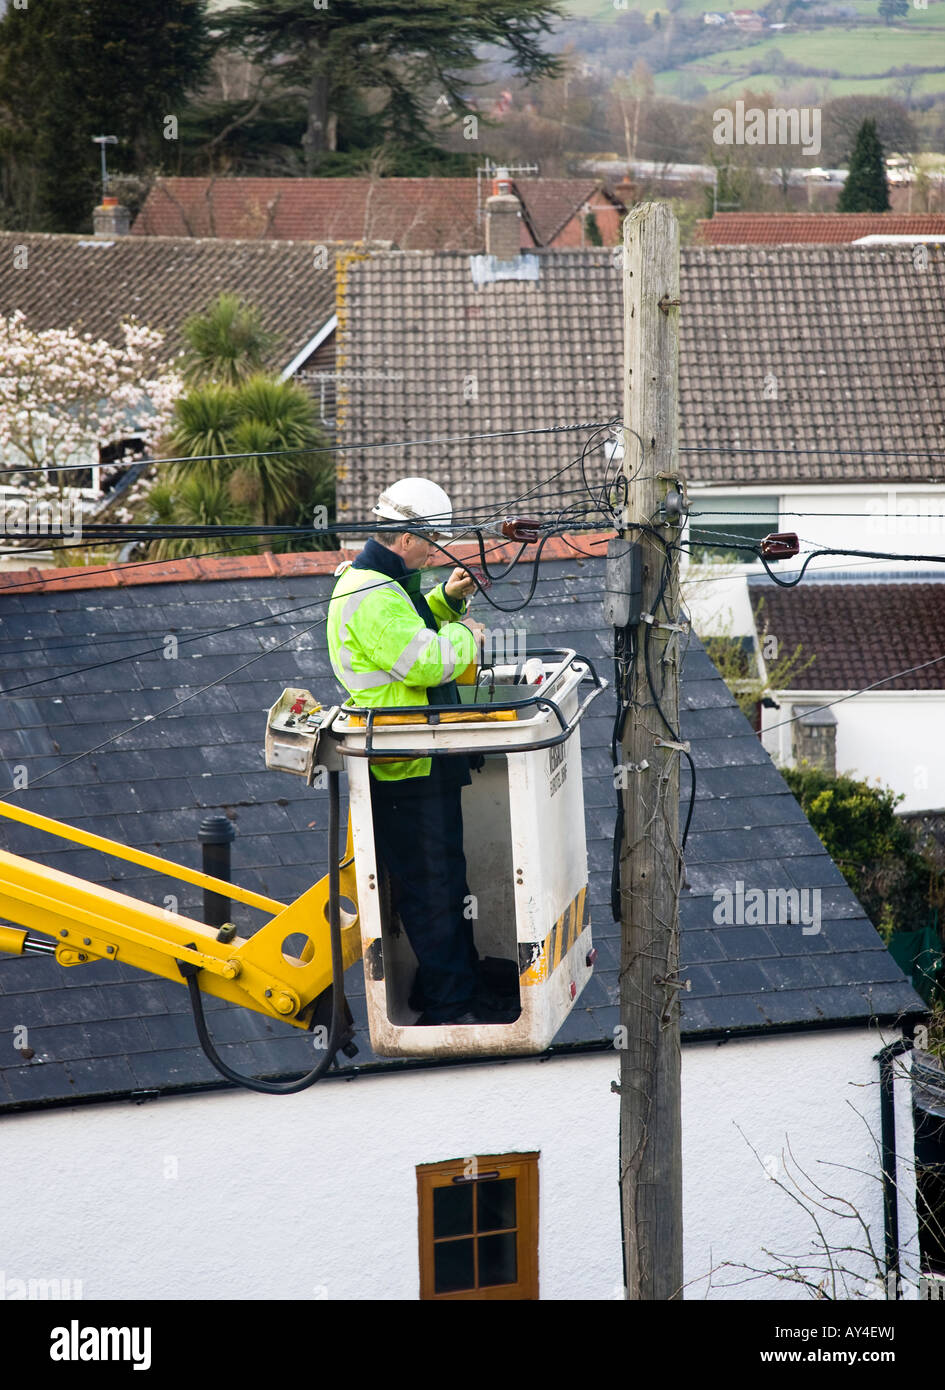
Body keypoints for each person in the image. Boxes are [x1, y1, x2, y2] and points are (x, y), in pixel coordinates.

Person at [326, 477, 518, 1026]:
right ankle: (451, 1001)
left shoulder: (383, 582)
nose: (438, 551)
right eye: (432, 542)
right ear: (407, 536)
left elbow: (404, 635)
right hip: (406, 765)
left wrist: (445, 601)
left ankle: (459, 981)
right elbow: (424, 663)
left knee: (446, 879)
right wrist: (468, 639)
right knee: (433, 887)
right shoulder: (372, 594)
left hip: (422, 757)